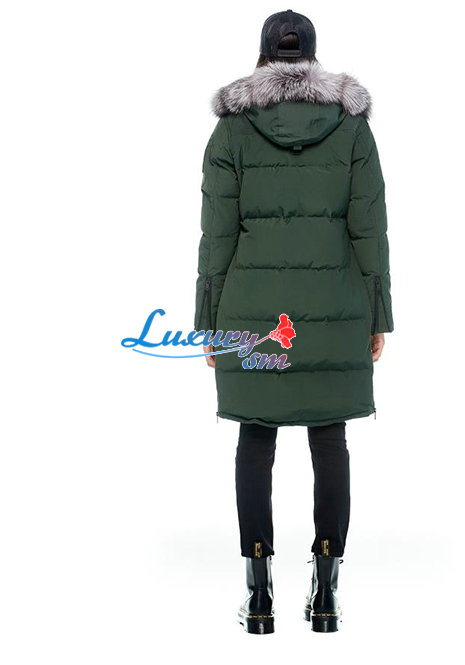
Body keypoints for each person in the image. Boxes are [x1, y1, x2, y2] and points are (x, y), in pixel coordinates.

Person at [193, 9, 394, 634]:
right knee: (329, 437)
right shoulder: (351, 127)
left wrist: (209, 320)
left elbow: (216, 235)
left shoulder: (232, 130)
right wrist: (377, 316)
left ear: (263, 57)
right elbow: (370, 230)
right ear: (311, 56)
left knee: (256, 438)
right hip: (336, 307)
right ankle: (326, 588)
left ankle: (259, 594)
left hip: (252, 312)